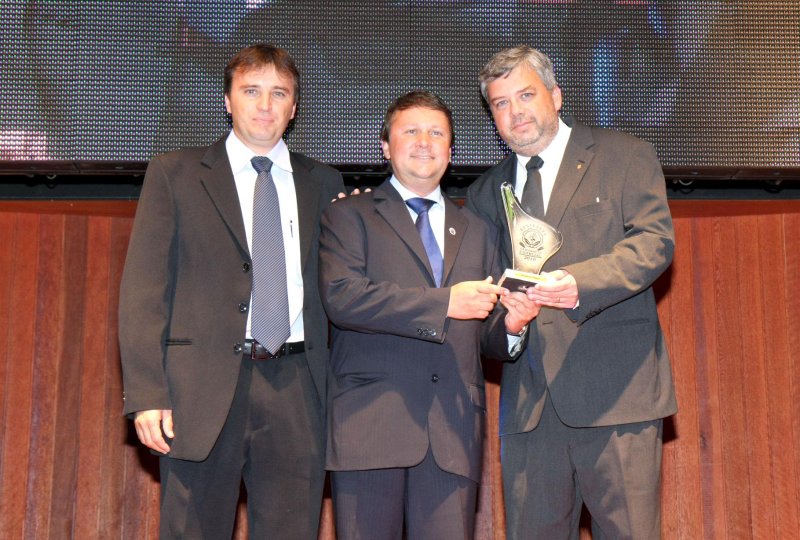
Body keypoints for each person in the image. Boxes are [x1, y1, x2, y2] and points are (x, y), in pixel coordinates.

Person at [118, 44, 344, 539]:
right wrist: (147, 394)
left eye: (278, 93)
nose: (265, 105)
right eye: (251, 91)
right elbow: (143, 292)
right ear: (227, 100)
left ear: (294, 107)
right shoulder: (175, 174)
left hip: (299, 388)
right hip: (198, 390)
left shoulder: (325, 183)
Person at [466, 46, 677, 539]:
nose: (515, 112)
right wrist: (509, 326)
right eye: (500, 103)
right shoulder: (483, 194)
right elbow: (481, 307)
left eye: (525, 95)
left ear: (556, 96)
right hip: (529, 411)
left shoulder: (624, 155)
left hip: (618, 398)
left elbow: (654, 243)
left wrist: (580, 282)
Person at [318, 90, 536, 539]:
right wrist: (445, 303)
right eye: (411, 131)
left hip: (452, 433)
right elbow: (343, 298)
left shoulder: (478, 231)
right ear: (385, 146)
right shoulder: (349, 215)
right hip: (369, 426)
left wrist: (513, 324)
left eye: (437, 133)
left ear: (450, 151)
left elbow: (485, 333)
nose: (424, 142)